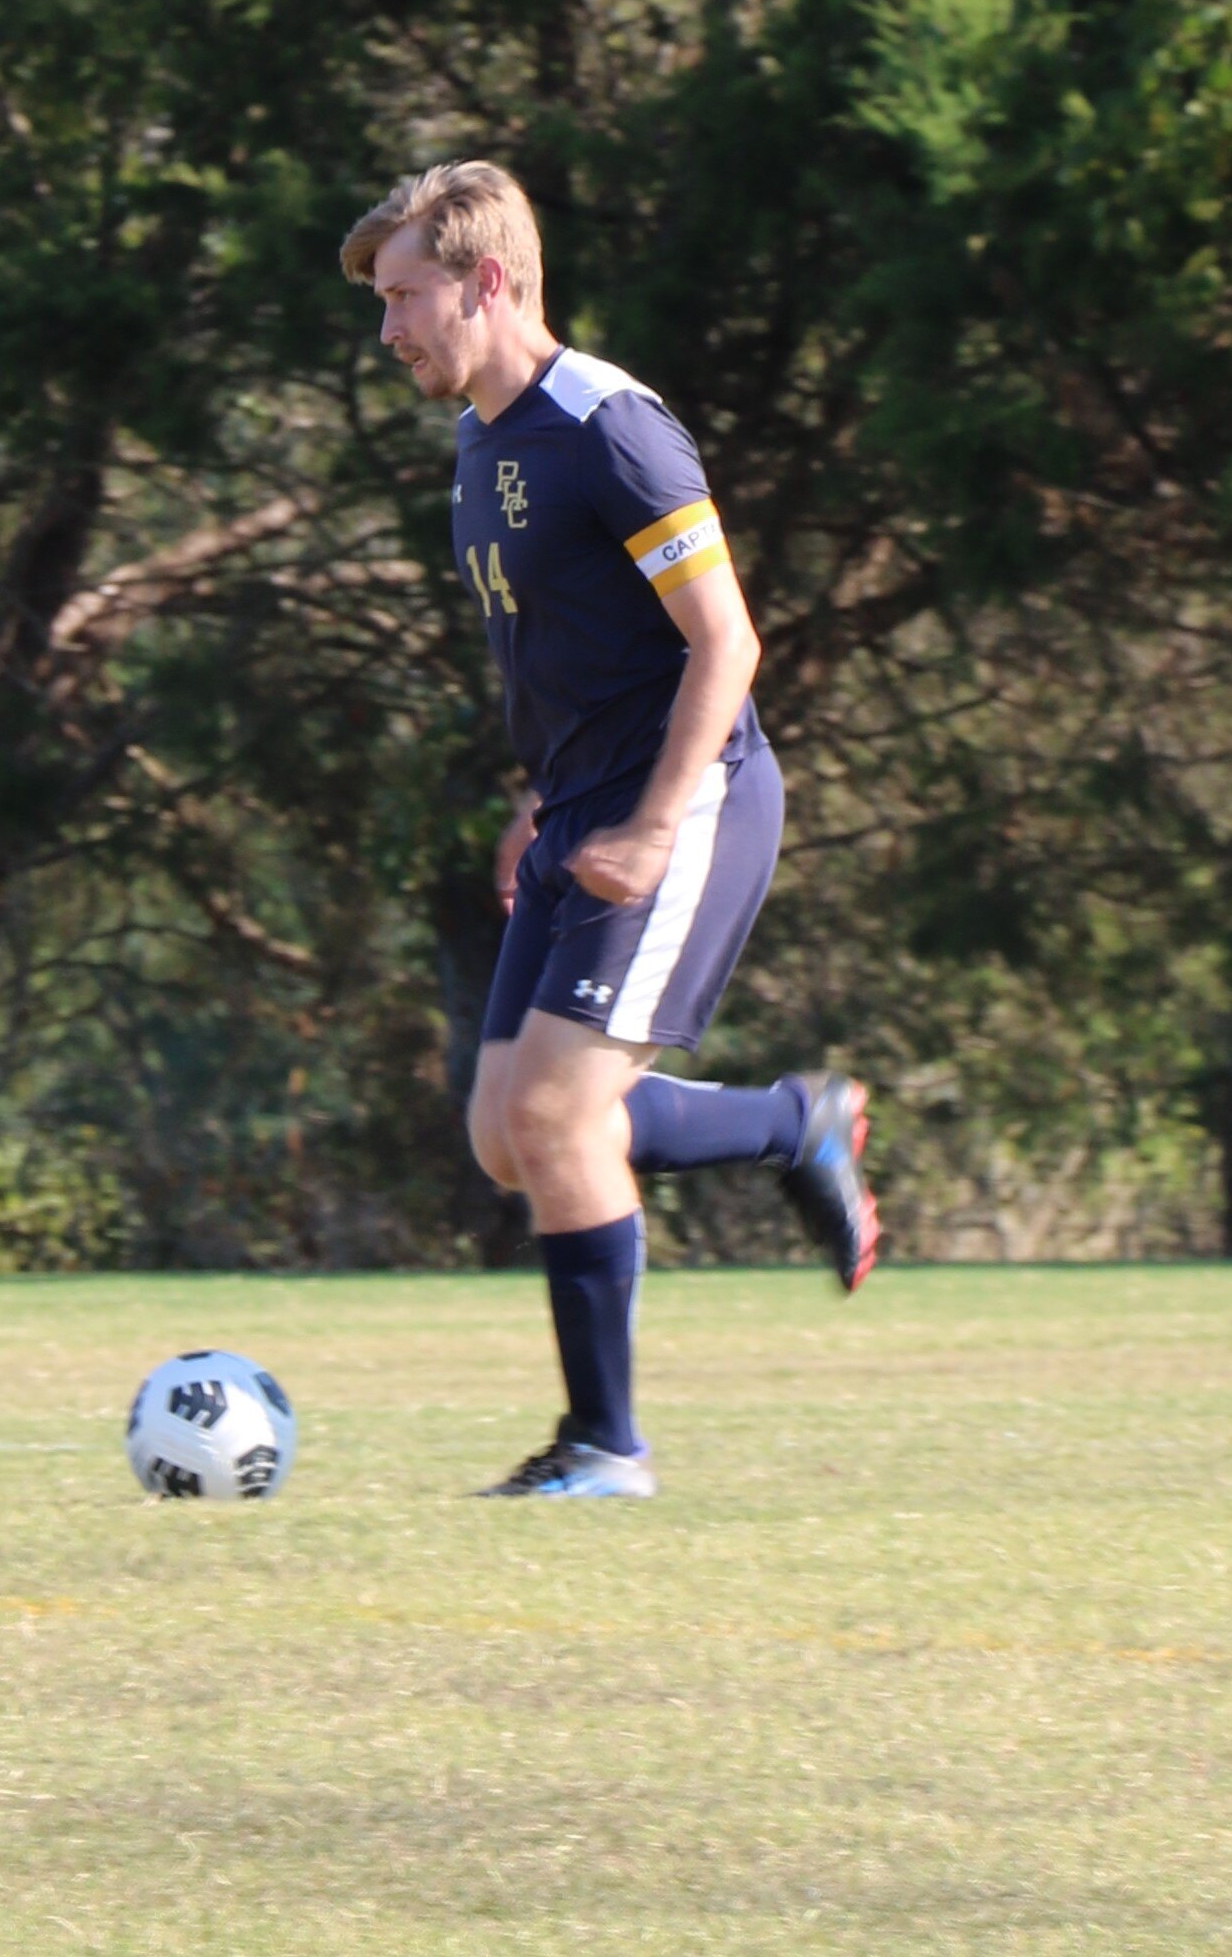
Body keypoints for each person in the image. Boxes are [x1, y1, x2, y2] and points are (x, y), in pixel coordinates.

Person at [343, 160, 882, 1501]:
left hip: (686, 795)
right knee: (504, 1132)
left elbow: (727, 641)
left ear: (490, 281)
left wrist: (648, 824)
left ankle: (605, 1447)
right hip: (585, 802)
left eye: (407, 295)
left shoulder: (607, 427)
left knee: (554, 1116)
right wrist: (547, 800)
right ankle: (789, 1123)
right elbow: (578, 647)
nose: (389, 328)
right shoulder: (484, 435)